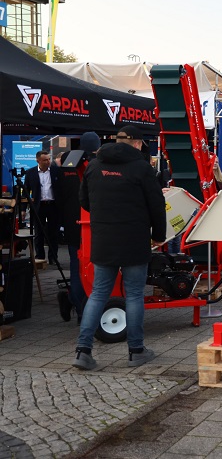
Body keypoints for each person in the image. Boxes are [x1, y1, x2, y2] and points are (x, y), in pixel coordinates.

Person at [73, 125, 166, 370]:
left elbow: (83, 200)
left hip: (104, 237)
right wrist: (158, 235)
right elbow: (157, 205)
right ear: (136, 143)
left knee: (98, 294)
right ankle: (136, 351)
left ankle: (83, 351)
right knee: (134, 294)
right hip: (134, 238)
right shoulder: (142, 168)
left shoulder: (94, 165)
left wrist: (105, 216)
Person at [56, 132, 101, 323]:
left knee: (77, 268)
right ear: (97, 147)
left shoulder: (66, 165)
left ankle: (77, 305)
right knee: (95, 270)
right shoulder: (97, 166)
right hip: (93, 226)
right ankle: (84, 309)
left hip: (71, 225)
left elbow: (58, 196)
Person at [24, 150, 62, 264]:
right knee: (39, 233)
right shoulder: (30, 173)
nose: (48, 161)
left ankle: (53, 257)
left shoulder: (56, 171)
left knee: (53, 233)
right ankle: (40, 256)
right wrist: (22, 209)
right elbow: (25, 191)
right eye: (45, 160)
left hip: (53, 206)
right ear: (38, 160)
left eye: (49, 159)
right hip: (38, 206)